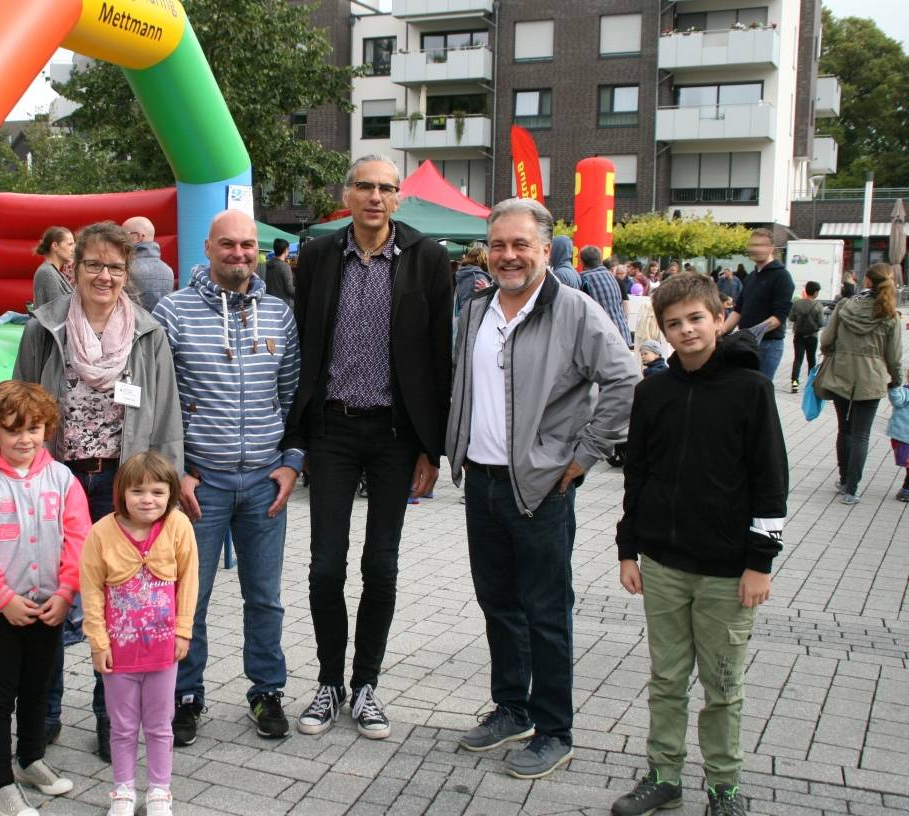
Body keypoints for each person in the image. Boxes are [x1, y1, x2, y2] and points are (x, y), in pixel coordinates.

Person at [447, 197, 638, 779]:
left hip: (542, 488)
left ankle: (555, 729)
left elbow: (625, 379)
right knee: (498, 604)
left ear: (544, 248)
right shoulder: (478, 308)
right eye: (498, 245)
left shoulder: (574, 309)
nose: (508, 256)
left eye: (520, 245)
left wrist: (581, 459)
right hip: (480, 481)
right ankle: (512, 709)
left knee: (546, 611)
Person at [284, 154, 451, 740]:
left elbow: (438, 356)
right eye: (364, 186)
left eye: (385, 188)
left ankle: (367, 687)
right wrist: (296, 438)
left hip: (394, 436)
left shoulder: (428, 258)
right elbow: (304, 345)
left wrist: (432, 449)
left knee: (380, 565)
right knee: (326, 564)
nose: (374, 196)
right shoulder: (320, 255)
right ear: (346, 194)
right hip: (331, 430)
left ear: (398, 198)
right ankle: (329, 682)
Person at [612, 273, 788, 816]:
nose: (686, 330)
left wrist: (760, 562)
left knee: (722, 684)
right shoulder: (654, 391)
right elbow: (636, 474)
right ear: (661, 330)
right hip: (664, 563)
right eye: (673, 323)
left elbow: (770, 481)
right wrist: (627, 549)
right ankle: (664, 774)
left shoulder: (749, 389)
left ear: (719, 318)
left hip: (728, 570)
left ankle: (724, 786)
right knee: (666, 679)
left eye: (696, 319)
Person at [14, 220, 183, 760]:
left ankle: (112, 721)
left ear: (127, 272)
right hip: (57, 479)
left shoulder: (148, 333)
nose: (104, 275)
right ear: (73, 268)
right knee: (52, 595)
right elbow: (20, 404)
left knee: (120, 604)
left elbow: (166, 417)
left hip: (122, 481)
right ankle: (45, 713)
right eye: (94, 265)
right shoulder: (44, 327)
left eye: (115, 266)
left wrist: (165, 493)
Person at [152, 209, 302, 744]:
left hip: (264, 480)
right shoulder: (172, 312)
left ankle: (266, 691)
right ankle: (186, 696)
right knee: (190, 596)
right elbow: (158, 400)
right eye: (228, 245)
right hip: (201, 485)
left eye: (248, 245)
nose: (240, 254)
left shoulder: (280, 314)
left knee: (266, 597)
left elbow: (293, 395)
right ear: (208, 248)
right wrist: (177, 474)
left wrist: (292, 462)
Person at [0, 382, 89, 816]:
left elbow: (79, 538)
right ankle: (0, 783)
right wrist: (1, 596)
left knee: (37, 689)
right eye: (13, 431)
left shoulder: (62, 477)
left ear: (47, 429)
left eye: (34, 429)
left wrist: (67, 592)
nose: (25, 439)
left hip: (49, 606)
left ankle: (30, 761)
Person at [81, 451, 197, 816]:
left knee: (161, 726)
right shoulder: (101, 533)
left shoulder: (178, 526)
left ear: (172, 494)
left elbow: (189, 582)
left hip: (164, 650)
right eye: (138, 491)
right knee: (122, 726)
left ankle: (160, 791)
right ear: (121, 493)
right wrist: (98, 643)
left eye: (158, 492)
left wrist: (183, 631)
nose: (148, 499)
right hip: (118, 653)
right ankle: (123, 790)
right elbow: (91, 590)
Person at [813, 263, 902, 504]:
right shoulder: (890, 315)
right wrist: (897, 380)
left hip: (841, 372)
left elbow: (827, 338)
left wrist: (833, 351)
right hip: (871, 378)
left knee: (845, 429)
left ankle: (843, 479)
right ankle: (852, 490)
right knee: (862, 435)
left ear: (867, 281)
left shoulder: (845, 306)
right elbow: (894, 357)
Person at [722, 228, 794, 380]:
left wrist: (750, 334)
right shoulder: (751, 277)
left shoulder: (782, 277)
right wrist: (720, 330)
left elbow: (779, 317)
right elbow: (738, 310)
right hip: (747, 344)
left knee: (759, 393)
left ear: (771, 248)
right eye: (753, 245)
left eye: (761, 245)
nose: (756, 248)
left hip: (768, 345)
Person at [580, 245, 633, 347]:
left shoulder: (584, 279)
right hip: (623, 333)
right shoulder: (612, 277)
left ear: (582, 262)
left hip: (606, 339)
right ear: (600, 259)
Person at [123, 216, 177, 312]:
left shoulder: (126, 268)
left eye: (123, 234)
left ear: (137, 237)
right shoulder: (168, 270)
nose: (120, 239)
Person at [788, 281, 824, 393]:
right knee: (811, 360)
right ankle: (810, 385)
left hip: (799, 335)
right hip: (812, 336)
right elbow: (821, 323)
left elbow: (791, 318)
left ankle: (794, 384)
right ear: (815, 292)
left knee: (798, 360)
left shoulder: (797, 304)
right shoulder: (818, 305)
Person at [33, 226, 75, 308]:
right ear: (55, 246)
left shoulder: (54, 271)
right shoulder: (47, 272)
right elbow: (58, 312)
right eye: (70, 244)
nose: (73, 249)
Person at [885, 370, 909, 502]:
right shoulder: (906, 391)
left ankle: (906, 490)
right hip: (904, 437)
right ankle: (906, 490)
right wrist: (893, 388)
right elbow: (898, 400)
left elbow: (897, 401)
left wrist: (893, 388)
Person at [455, 245, 491, 315]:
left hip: (462, 316)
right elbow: (484, 302)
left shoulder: (462, 274)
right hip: (474, 317)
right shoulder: (478, 276)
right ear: (479, 258)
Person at [264, 237, 297, 308]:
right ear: (285, 250)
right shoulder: (284, 266)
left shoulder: (268, 264)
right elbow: (290, 289)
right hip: (284, 305)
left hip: (270, 302)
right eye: (288, 249)